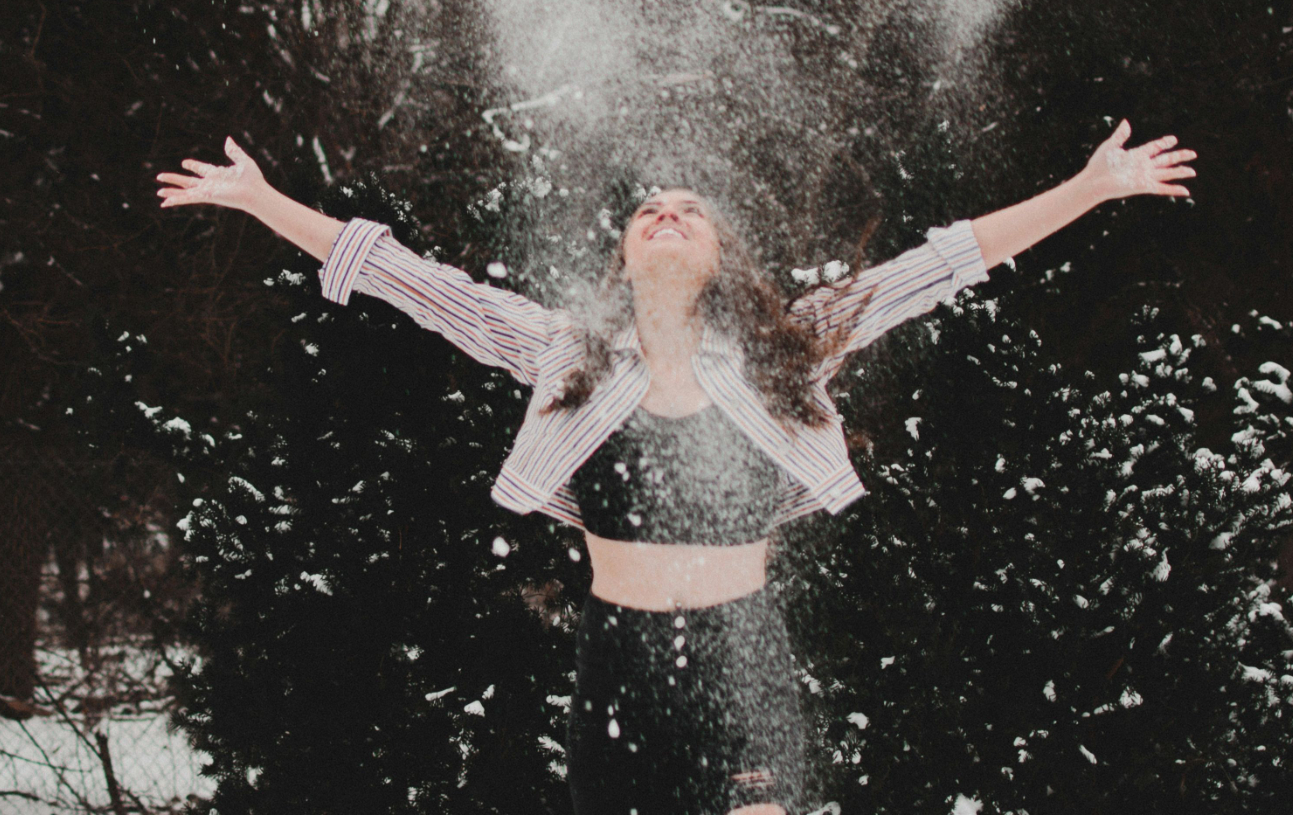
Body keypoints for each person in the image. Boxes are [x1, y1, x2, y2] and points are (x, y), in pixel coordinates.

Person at [157, 120, 1195, 815]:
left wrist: (1091, 188)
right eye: (648, 210)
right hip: (616, 660)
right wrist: (264, 202)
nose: (667, 214)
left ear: (719, 255)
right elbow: (409, 282)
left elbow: (940, 265)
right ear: (623, 254)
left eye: (691, 211)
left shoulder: (788, 346)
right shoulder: (565, 350)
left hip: (744, 655)